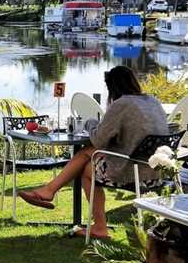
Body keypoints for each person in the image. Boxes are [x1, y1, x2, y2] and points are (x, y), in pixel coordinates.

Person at [18, 66, 169, 239]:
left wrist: (90, 123)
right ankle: (49, 191)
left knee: (87, 170)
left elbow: (98, 139)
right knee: (89, 153)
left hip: (133, 173)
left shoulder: (122, 103)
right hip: (155, 171)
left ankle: (97, 225)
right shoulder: (152, 101)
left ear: (112, 87)